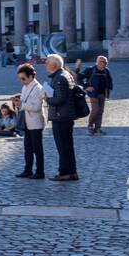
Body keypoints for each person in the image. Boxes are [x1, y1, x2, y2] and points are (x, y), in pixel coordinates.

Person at [44, 54, 80, 182]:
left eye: (47, 62)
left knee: (63, 146)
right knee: (67, 146)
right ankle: (71, 172)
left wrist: (47, 99)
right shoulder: (64, 75)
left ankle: (65, 172)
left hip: (61, 116)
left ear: (54, 65)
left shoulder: (59, 78)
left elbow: (60, 98)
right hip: (65, 116)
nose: (45, 64)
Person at [13, 63, 46, 179]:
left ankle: (40, 172)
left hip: (36, 122)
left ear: (31, 76)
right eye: (20, 78)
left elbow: (36, 107)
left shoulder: (38, 88)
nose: (22, 81)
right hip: (27, 121)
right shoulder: (25, 87)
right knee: (27, 148)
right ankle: (28, 170)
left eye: (23, 78)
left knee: (37, 149)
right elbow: (24, 102)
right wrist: (18, 102)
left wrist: (22, 104)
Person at [85, 55, 113, 135]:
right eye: (100, 61)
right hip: (93, 94)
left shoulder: (106, 71)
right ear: (97, 62)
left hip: (103, 94)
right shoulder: (90, 69)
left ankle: (98, 129)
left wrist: (110, 89)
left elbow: (110, 81)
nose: (102, 63)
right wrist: (86, 86)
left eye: (104, 62)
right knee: (96, 109)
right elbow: (79, 77)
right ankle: (90, 125)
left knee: (100, 111)